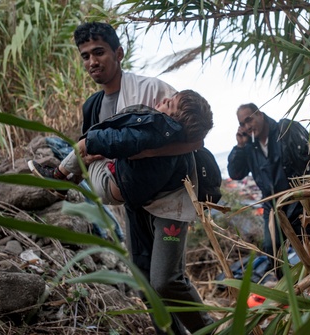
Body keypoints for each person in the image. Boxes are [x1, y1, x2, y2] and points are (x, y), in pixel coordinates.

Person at [35, 22, 212, 334]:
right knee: (144, 280)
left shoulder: (153, 90)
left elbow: (194, 139)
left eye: (99, 52)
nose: (92, 61)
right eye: (85, 56)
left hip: (169, 203)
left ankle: (210, 329)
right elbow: (90, 150)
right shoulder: (93, 105)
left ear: (118, 53)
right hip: (132, 203)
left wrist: (142, 153)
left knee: (166, 279)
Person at [28, 89, 211, 208]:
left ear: (173, 122)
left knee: (85, 147)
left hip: (109, 184)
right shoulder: (175, 144)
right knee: (97, 149)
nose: (164, 99)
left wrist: (89, 141)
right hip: (122, 187)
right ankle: (70, 180)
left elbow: (120, 140)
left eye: (169, 104)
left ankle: (57, 176)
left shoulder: (155, 133)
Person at [227, 103, 310, 276]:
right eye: (242, 124)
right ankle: (288, 291)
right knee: (272, 251)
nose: (247, 126)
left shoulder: (286, 130)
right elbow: (235, 173)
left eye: (249, 119)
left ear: (261, 115)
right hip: (272, 207)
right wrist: (240, 146)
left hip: (299, 201)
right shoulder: (250, 147)